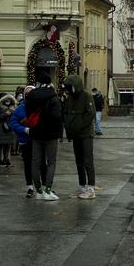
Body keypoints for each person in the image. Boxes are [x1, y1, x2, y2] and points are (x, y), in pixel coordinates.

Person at [25, 72, 64, 201]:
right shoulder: (53, 96)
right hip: (51, 134)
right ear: (49, 83)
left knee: (35, 162)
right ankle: (48, 190)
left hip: (36, 133)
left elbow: (28, 113)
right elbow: (57, 117)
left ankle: (39, 191)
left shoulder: (31, 96)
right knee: (51, 162)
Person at [63, 74, 97, 199]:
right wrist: (69, 127)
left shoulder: (86, 96)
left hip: (86, 134)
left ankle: (91, 188)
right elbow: (66, 112)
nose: (67, 90)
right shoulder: (70, 97)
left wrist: (79, 126)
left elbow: (90, 114)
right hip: (76, 134)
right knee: (79, 161)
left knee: (88, 160)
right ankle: (82, 186)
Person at [10, 85, 41, 197]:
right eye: (26, 93)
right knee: (28, 164)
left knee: (40, 163)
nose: (28, 95)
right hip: (25, 140)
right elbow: (13, 123)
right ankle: (30, 187)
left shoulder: (39, 107)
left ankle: (44, 186)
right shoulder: (20, 108)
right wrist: (24, 129)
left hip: (38, 140)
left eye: (31, 92)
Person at [0, 94, 16, 167]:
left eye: (9, 100)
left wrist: (13, 112)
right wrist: (5, 114)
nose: (8, 102)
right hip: (0, 128)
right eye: (6, 100)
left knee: (8, 145)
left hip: (10, 128)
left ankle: (6, 159)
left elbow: (16, 117)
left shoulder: (13, 107)